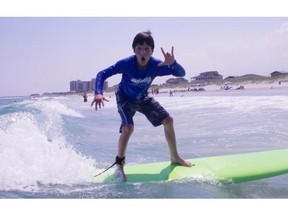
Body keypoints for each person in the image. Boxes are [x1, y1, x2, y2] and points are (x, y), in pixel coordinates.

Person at [91, 31, 192, 181]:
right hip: (124, 98)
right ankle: (119, 165)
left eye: (147, 49)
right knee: (128, 128)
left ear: (152, 51)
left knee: (168, 120)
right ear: (134, 50)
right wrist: (98, 92)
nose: (143, 52)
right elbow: (102, 74)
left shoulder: (155, 65)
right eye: (139, 48)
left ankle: (175, 157)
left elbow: (181, 73)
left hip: (143, 98)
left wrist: (173, 63)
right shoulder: (126, 63)